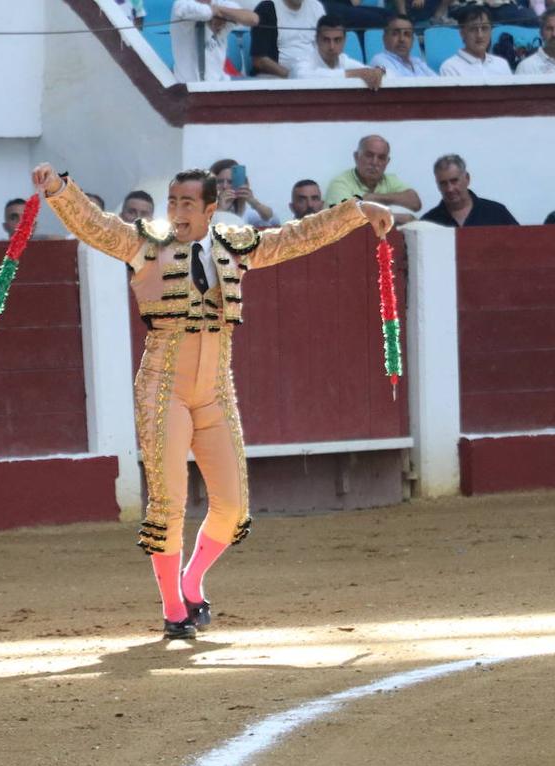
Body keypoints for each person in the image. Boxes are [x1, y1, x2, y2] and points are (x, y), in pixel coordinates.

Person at [33, 161, 392, 639]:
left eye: (186, 203)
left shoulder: (234, 247)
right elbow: (96, 227)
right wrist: (59, 189)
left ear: (210, 208)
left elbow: (296, 236)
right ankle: (172, 610)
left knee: (233, 509)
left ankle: (191, 581)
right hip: (163, 386)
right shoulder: (146, 245)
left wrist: (357, 211)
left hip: (216, 391)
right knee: (169, 504)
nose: (177, 212)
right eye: (172, 202)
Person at [324, 135, 421, 225]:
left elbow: (415, 203)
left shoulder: (390, 180)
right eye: (369, 155)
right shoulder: (340, 183)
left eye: (381, 158)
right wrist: (395, 217)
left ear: (387, 162)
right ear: (356, 157)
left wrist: (374, 197)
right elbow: (346, 217)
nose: (375, 162)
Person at [171, 0, 259, 83]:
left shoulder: (219, 4)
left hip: (220, 82)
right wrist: (219, 14)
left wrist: (220, 10)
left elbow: (253, 19)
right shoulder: (181, 4)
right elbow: (204, 13)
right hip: (188, 85)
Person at [420, 154, 518, 227]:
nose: (450, 189)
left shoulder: (497, 213)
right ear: (437, 184)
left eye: (454, 181)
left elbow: (522, 247)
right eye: (443, 183)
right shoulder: (428, 223)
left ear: (467, 178)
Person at [293, 15, 386, 88]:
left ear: (344, 40)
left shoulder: (344, 60)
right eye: (326, 40)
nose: (332, 46)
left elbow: (368, 71)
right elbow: (302, 76)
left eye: (337, 40)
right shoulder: (304, 59)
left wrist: (378, 71)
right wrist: (352, 74)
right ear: (316, 39)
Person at [251, 0, 328, 78]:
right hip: (276, 77)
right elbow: (259, 60)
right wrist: (292, 76)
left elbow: (327, 47)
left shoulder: (316, 7)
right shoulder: (267, 8)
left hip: (312, 75)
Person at [439, 5, 513, 77]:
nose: (480, 35)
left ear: (491, 31)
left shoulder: (501, 64)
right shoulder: (450, 68)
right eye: (473, 29)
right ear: (462, 33)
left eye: (484, 28)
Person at [209, 158, 279, 227]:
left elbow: (273, 220)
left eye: (230, 182)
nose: (224, 186)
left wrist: (254, 202)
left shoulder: (244, 211)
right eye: (219, 182)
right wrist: (221, 210)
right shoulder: (204, 208)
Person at [369, 14, 438, 77]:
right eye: (395, 34)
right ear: (384, 38)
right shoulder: (380, 60)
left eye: (407, 34)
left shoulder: (418, 63)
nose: (402, 39)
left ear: (413, 40)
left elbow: (439, 84)